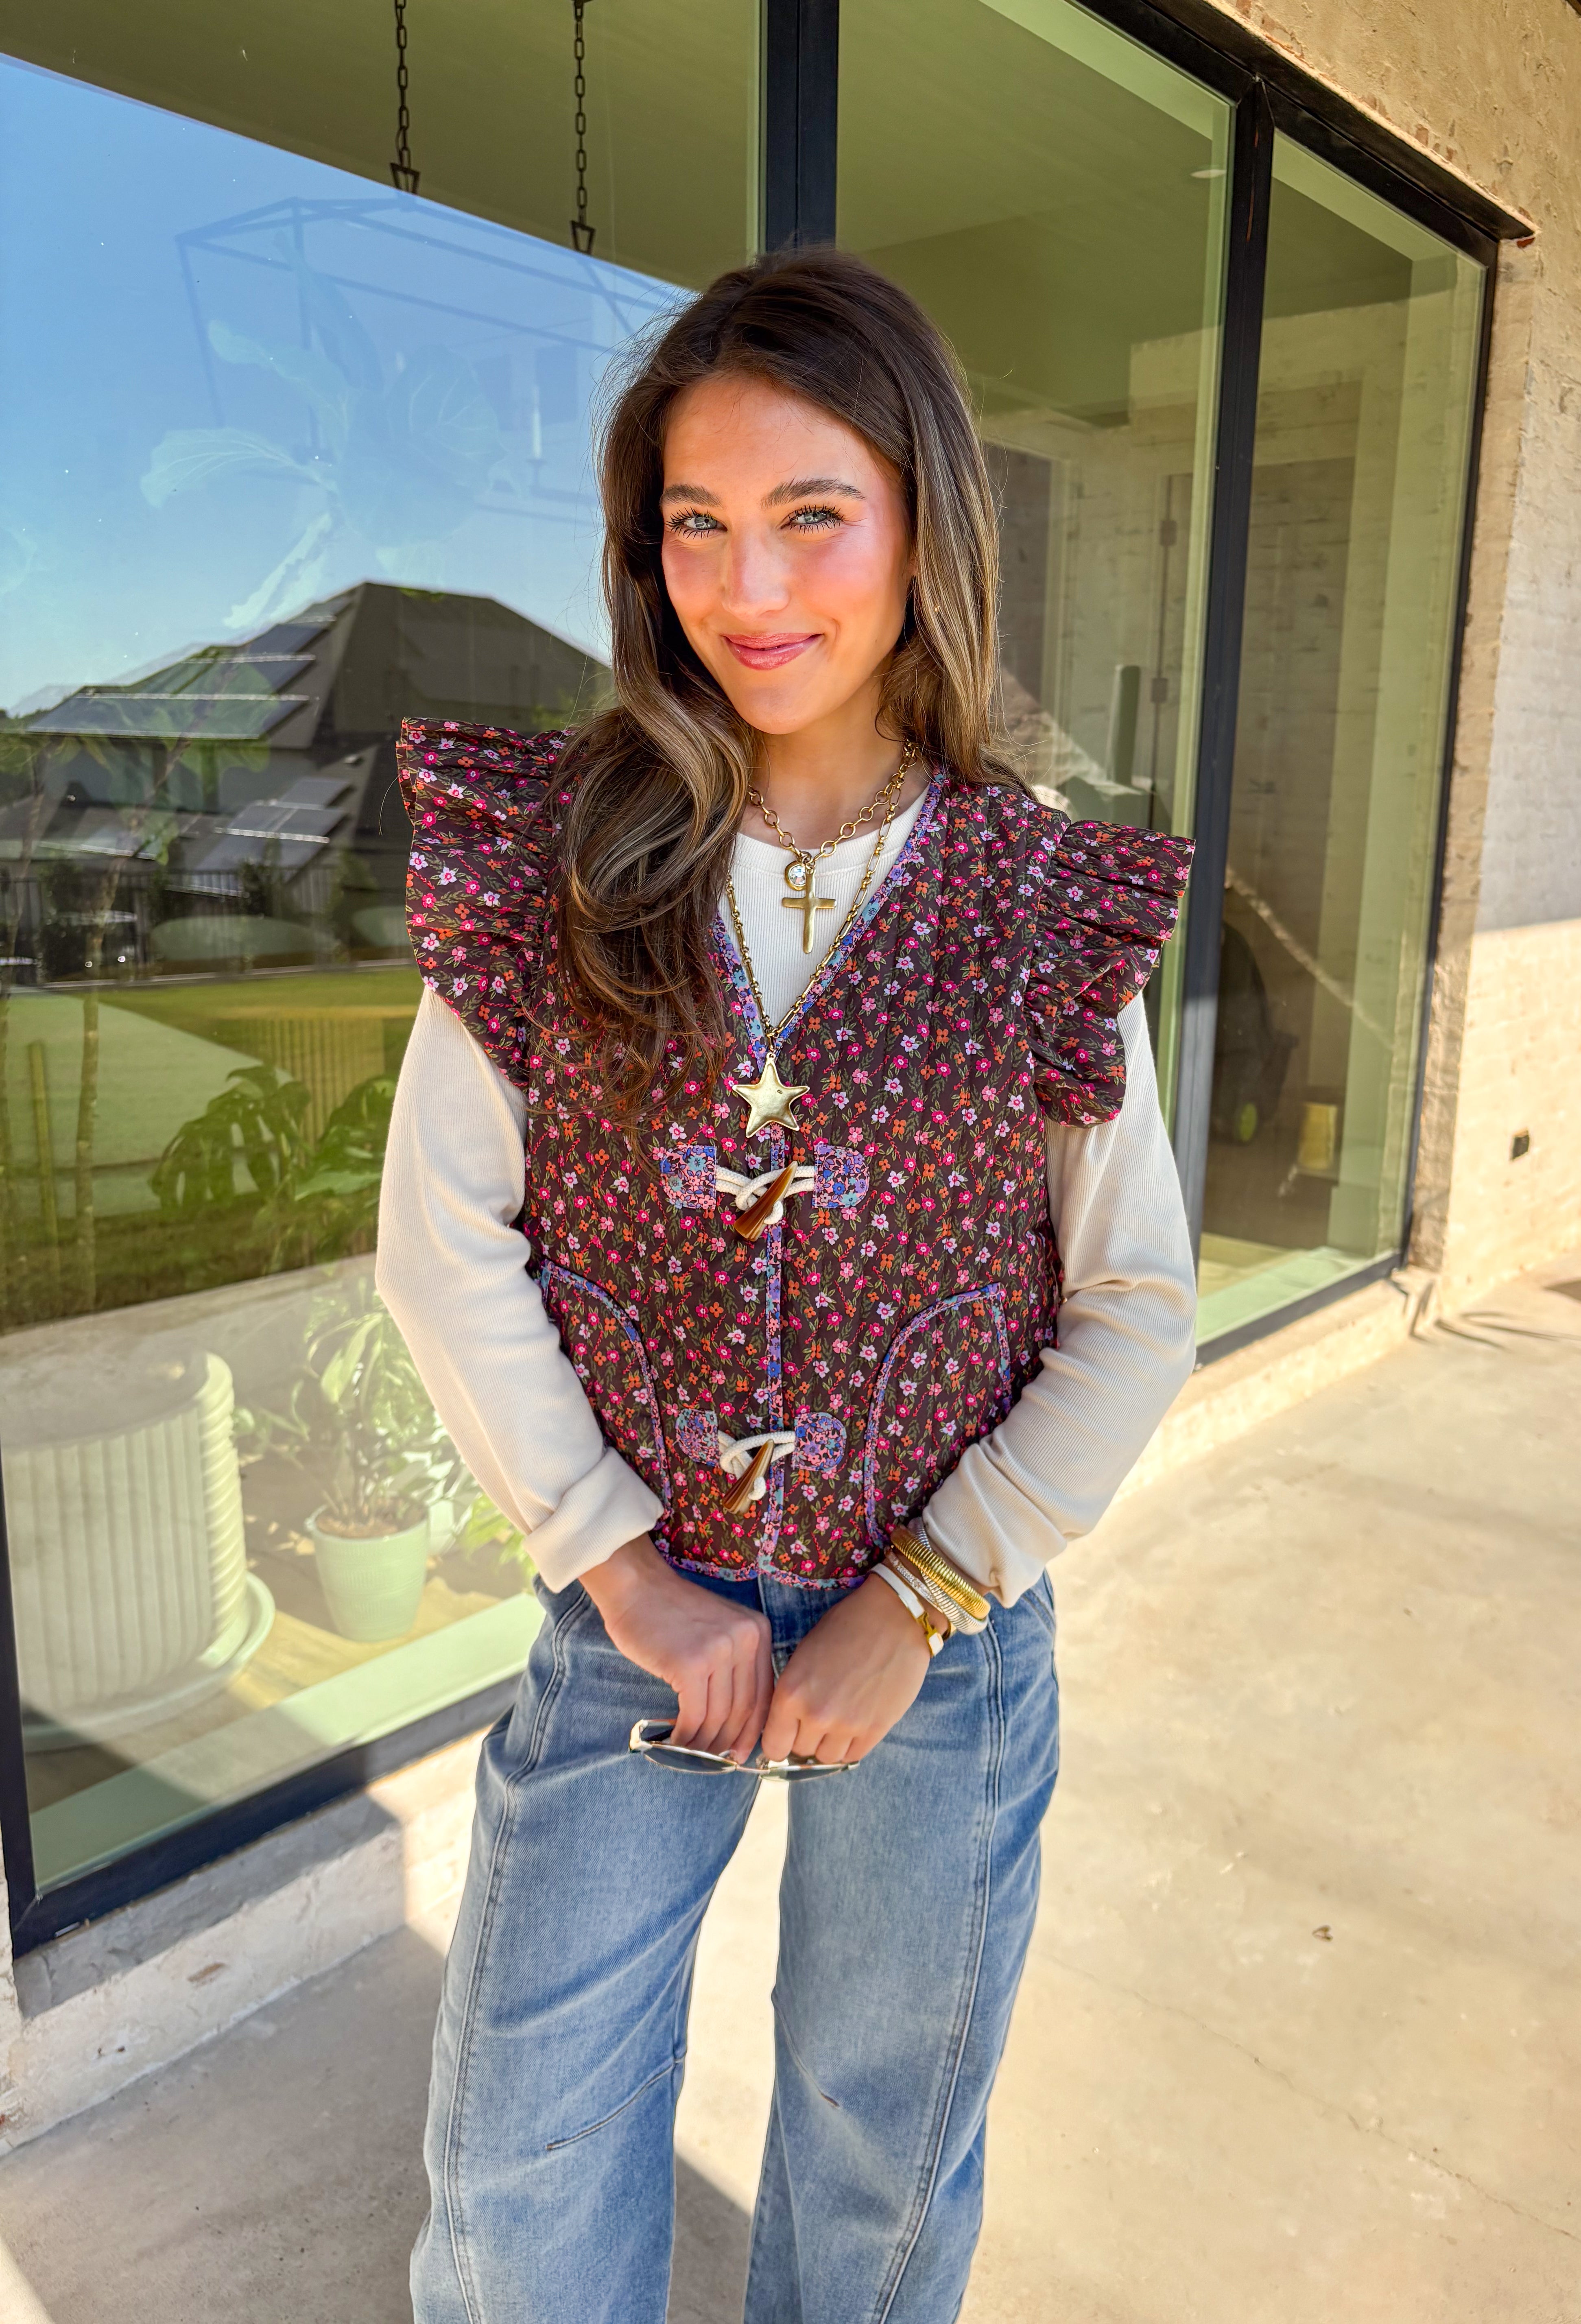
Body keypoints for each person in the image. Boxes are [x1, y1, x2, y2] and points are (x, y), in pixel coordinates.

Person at [377, 247, 1196, 2324]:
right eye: (697, 527)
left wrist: (926, 1600)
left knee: (879, 2146)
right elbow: (442, 1239)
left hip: (941, 1645)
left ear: (923, 521)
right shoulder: (559, 857)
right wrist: (620, 1566)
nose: (752, 589)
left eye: (813, 515)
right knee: (519, 2156)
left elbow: (1137, 1301)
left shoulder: (1035, 897)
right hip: (625, 1624)